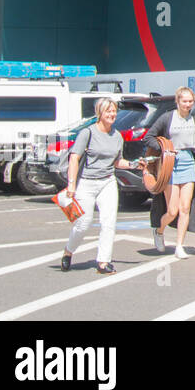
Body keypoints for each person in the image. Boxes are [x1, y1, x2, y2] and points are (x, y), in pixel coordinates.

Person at [63, 98, 144, 274]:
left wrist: (134, 164)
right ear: (99, 113)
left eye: (114, 111)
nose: (112, 114)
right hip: (87, 182)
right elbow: (74, 158)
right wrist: (71, 185)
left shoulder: (117, 136)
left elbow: (117, 161)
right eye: (108, 111)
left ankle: (103, 262)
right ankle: (68, 251)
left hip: (107, 181)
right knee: (82, 224)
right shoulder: (87, 133)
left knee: (109, 223)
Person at [145, 87, 195, 259]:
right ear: (177, 101)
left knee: (185, 208)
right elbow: (149, 137)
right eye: (184, 101)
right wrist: (165, 148)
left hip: (189, 163)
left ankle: (179, 245)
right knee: (172, 211)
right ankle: (159, 231)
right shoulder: (167, 118)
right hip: (170, 165)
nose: (188, 104)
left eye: (190, 101)